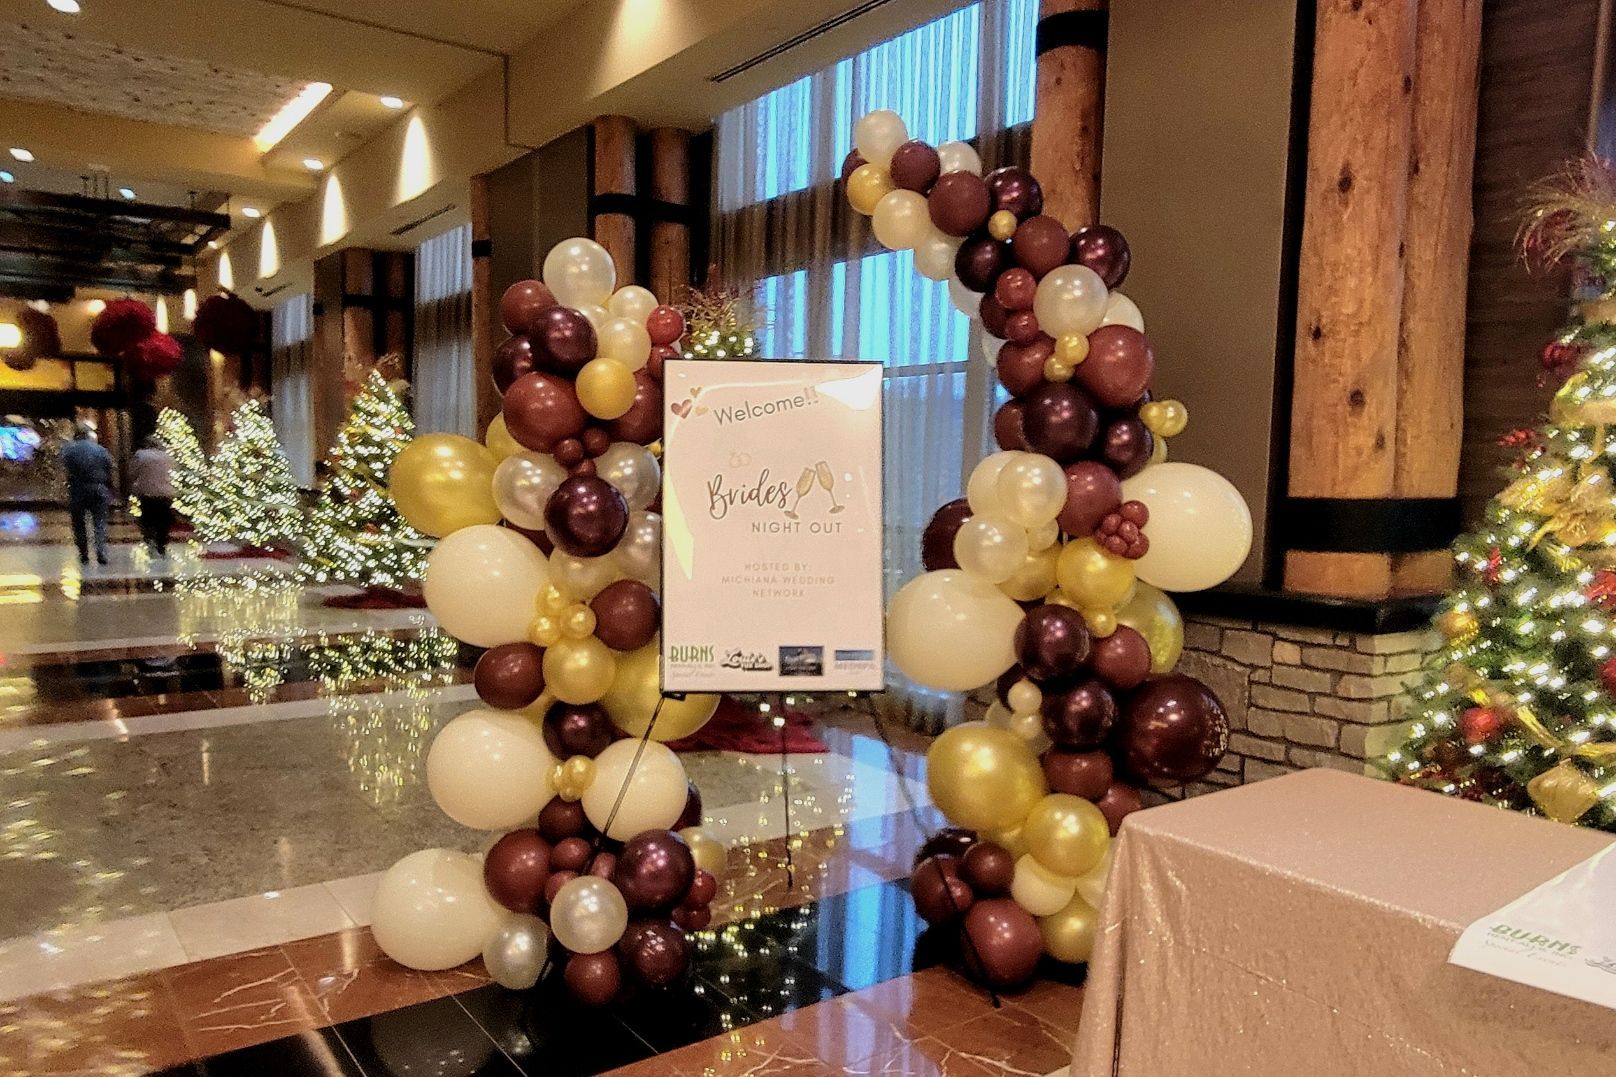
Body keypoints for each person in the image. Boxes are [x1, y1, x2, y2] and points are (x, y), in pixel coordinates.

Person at [61, 422, 113, 565]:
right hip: (98, 488)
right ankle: (101, 551)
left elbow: (65, 466)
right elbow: (109, 468)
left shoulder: (69, 450)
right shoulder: (100, 450)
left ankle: (83, 554)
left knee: (79, 523)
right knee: (99, 522)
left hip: (78, 489)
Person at [130, 434, 175, 557]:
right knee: (163, 520)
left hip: (147, 492)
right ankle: (162, 545)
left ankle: (150, 542)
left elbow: (133, 472)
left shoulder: (141, 455)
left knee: (148, 519)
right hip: (165, 492)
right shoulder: (168, 457)